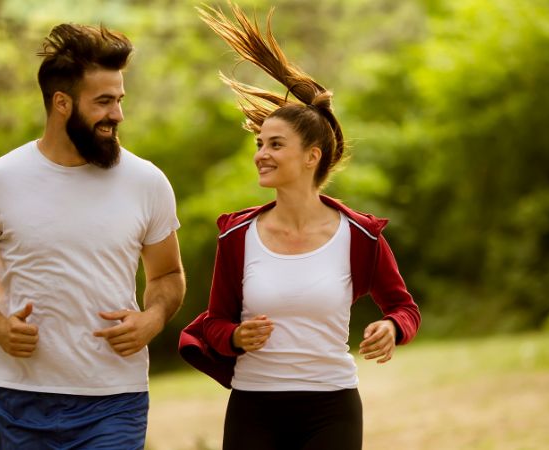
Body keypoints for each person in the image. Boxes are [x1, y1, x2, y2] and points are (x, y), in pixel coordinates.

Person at [179, 4, 421, 450]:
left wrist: (392, 328)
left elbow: (405, 308)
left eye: (275, 144)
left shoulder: (359, 235)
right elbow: (214, 321)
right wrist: (233, 336)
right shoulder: (237, 237)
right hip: (254, 407)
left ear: (312, 156)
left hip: (332, 407)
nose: (261, 154)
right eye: (259, 144)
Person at [0, 23, 185, 449]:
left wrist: (152, 319)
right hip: (22, 398)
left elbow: (168, 277)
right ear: (61, 103)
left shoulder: (147, 182)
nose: (118, 115)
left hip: (115, 398)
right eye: (104, 102)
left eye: (119, 100)